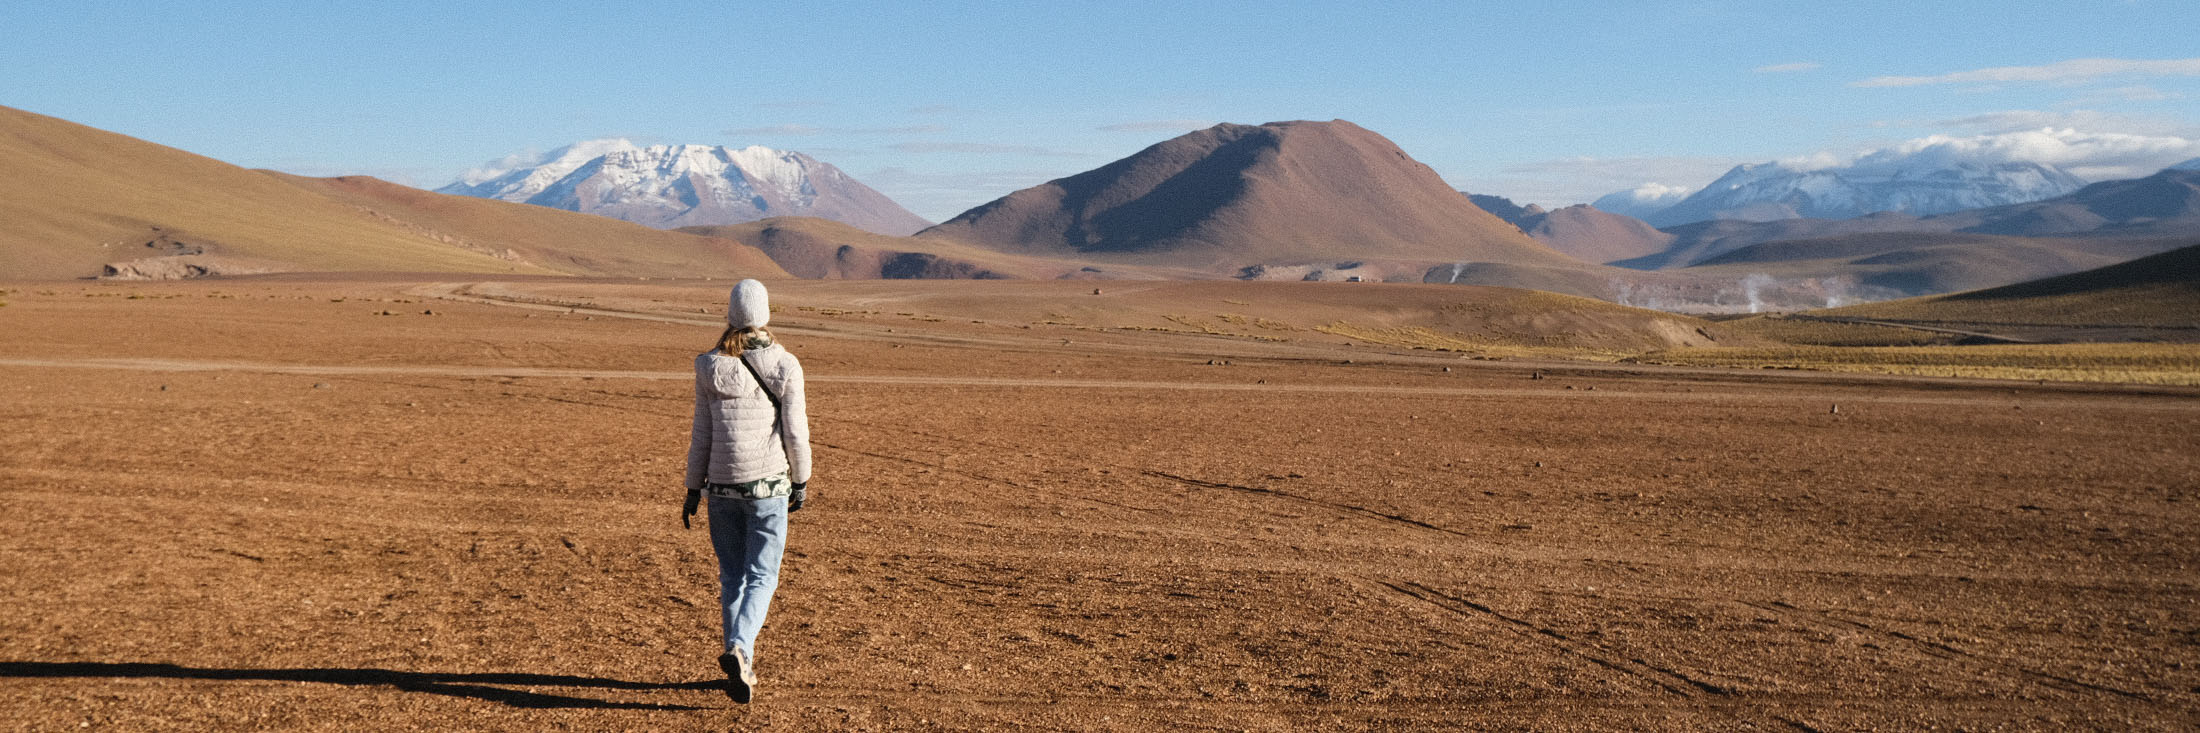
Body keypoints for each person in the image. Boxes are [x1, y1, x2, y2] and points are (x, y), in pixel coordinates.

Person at [682, 279, 811, 704]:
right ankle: (739, 648)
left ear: (730, 315)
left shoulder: (708, 366)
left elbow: (702, 433)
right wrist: (802, 479)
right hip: (768, 487)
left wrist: (692, 488)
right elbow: (795, 431)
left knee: (732, 576)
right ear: (766, 314)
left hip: (720, 488)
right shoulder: (785, 364)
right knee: (762, 575)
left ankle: (743, 663)